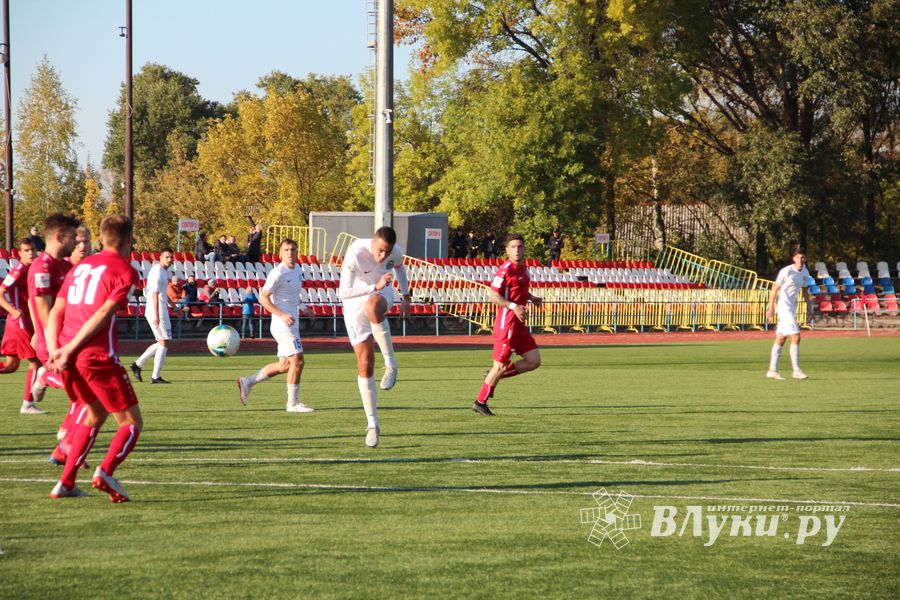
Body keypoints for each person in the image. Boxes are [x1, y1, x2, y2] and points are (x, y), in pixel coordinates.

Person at [45, 214, 142, 501]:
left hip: (66, 354)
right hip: (95, 356)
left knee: (94, 412)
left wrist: (56, 351)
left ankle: (66, 482)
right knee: (131, 423)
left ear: (100, 238)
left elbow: (56, 311)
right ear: (128, 241)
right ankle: (106, 472)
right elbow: (102, 314)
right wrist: (71, 348)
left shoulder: (80, 266)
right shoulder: (125, 270)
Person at [338, 226, 411, 448]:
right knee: (365, 363)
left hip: (380, 294)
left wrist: (406, 296)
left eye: (386, 253)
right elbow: (344, 292)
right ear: (373, 242)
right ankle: (372, 424)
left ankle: (391, 364)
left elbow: (400, 269)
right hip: (353, 301)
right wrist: (374, 286)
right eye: (379, 251)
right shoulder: (355, 252)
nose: (382, 257)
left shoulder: (395, 251)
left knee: (373, 306)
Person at [237, 239, 315, 412]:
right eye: (286, 250)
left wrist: (304, 308)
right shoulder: (277, 273)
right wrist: (281, 314)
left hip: (290, 322)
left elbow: (293, 297)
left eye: (293, 249)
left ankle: (247, 382)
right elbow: (263, 298)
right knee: (298, 362)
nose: (290, 253)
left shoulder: (297, 270)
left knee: (285, 366)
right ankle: (292, 404)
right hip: (282, 325)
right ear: (280, 254)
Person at [472, 233, 543, 416]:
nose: (517, 250)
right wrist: (513, 306)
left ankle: (494, 375)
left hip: (519, 324)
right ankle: (480, 402)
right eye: (513, 247)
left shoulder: (524, 269)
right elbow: (493, 294)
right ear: (507, 250)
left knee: (534, 361)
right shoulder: (505, 270)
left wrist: (532, 297)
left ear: (524, 248)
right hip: (507, 324)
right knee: (500, 366)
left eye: (519, 246)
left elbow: (520, 290)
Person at [27, 213, 80, 406]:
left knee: (81, 393)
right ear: (59, 237)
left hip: (67, 338)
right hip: (51, 341)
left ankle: (67, 431)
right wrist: (53, 349)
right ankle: (44, 377)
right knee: (79, 388)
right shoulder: (42, 268)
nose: (76, 242)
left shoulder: (66, 266)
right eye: (73, 237)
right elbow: (44, 311)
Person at [0, 239, 43, 414]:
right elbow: (0, 292)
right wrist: (13, 310)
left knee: (11, 366)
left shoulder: (32, 269)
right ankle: (28, 404)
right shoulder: (19, 270)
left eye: (32, 249)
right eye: (26, 250)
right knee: (35, 362)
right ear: (20, 253)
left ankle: (28, 404)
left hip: (17, 323)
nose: (31, 253)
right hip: (20, 323)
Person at [131, 249, 180, 384]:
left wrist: (175, 307)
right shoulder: (158, 272)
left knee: (162, 341)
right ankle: (155, 377)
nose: (170, 260)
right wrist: (156, 316)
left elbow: (163, 293)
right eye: (167, 257)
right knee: (164, 341)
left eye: (171, 257)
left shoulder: (163, 271)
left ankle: (137, 364)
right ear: (160, 258)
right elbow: (154, 294)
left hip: (161, 309)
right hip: (156, 310)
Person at [765, 245, 813, 380]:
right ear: (793, 259)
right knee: (796, 336)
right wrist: (771, 307)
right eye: (798, 257)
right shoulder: (786, 271)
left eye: (802, 257)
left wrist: (810, 308)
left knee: (781, 338)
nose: (800, 259)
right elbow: (774, 289)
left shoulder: (805, 272)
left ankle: (772, 370)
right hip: (783, 306)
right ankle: (796, 370)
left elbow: (804, 291)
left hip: (792, 306)